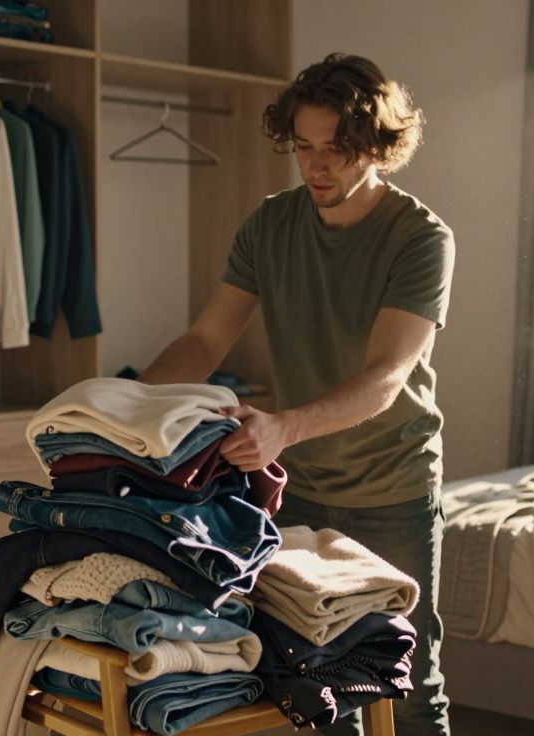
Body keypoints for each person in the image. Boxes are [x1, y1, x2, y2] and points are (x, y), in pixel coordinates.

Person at [140, 52, 454, 735]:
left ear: (378, 146)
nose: (317, 167)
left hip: (390, 486)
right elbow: (204, 343)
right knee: (316, 682)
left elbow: (384, 378)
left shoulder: (420, 238)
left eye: (337, 151)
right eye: (304, 148)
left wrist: (280, 428)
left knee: (410, 688)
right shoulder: (270, 225)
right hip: (298, 487)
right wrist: (122, 407)